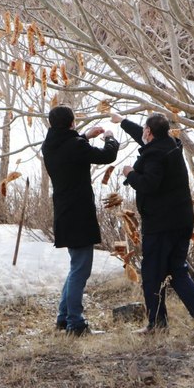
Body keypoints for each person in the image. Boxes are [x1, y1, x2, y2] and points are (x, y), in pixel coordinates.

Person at [112, 113, 194, 337]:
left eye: (144, 129)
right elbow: (145, 140)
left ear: (149, 132)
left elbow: (148, 184)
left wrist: (130, 173)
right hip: (181, 220)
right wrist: (122, 121)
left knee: (152, 273)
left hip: (162, 224)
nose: (142, 132)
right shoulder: (169, 144)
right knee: (176, 270)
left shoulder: (155, 156)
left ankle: (157, 325)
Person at [42, 106, 119, 336]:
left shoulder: (50, 145)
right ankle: (75, 322)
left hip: (64, 213)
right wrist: (110, 138)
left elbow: (69, 145)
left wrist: (86, 136)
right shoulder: (76, 146)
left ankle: (63, 317)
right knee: (80, 271)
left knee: (76, 267)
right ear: (72, 123)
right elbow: (107, 156)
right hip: (79, 214)